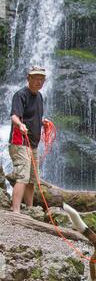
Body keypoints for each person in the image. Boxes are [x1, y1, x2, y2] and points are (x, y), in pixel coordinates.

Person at [8, 65, 48, 213]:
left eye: (41, 79)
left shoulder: (39, 97)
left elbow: (33, 116)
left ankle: (30, 209)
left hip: (33, 144)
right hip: (20, 142)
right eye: (36, 78)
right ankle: (16, 210)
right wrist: (20, 124)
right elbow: (14, 115)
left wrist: (43, 122)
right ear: (28, 78)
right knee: (22, 176)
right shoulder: (20, 95)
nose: (39, 81)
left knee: (32, 179)